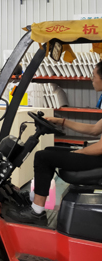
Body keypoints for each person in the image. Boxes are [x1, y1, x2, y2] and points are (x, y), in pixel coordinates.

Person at [10, 60, 102, 225]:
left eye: (93, 76)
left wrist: (78, 152)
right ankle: (34, 198)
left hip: (99, 158)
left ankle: (36, 212)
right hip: (98, 156)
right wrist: (62, 122)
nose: (92, 79)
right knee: (49, 150)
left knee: (43, 157)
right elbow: (94, 130)